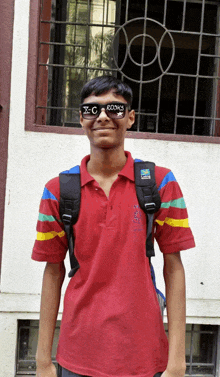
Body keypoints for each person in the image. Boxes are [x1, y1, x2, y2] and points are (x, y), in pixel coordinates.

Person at [32, 75, 195, 377]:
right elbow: (52, 271)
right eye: (92, 110)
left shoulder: (161, 183)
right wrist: (43, 361)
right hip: (77, 357)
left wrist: (177, 362)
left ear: (130, 117)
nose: (103, 117)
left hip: (144, 358)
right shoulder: (57, 191)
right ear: (81, 118)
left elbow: (174, 267)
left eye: (115, 109)